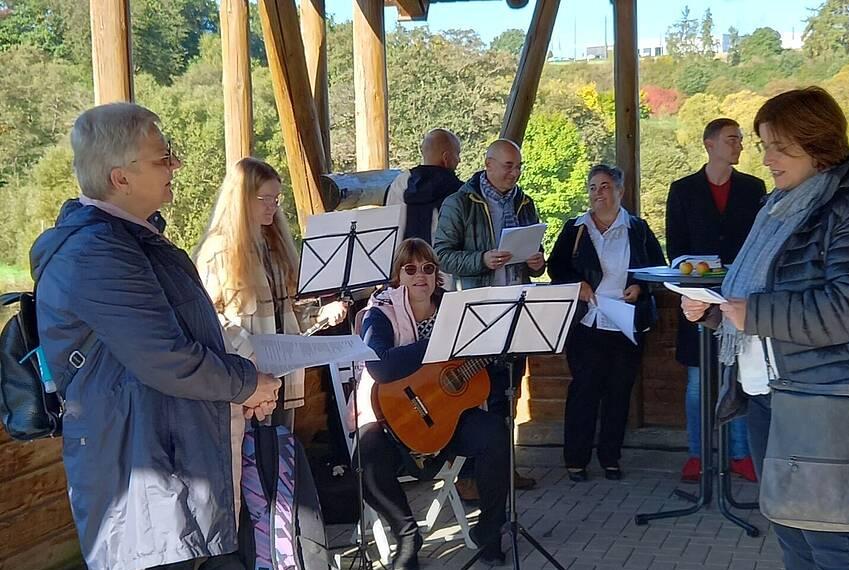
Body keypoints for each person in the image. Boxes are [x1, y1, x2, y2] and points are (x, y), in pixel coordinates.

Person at [30, 103, 281, 570]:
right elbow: (167, 357)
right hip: (143, 492)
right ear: (120, 178)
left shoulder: (134, 239)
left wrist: (240, 386)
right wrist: (248, 383)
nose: (176, 166)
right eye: (163, 158)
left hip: (172, 469)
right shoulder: (96, 253)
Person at [680, 86, 849, 570]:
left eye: (777, 147)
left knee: (835, 544)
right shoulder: (782, 204)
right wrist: (718, 310)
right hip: (773, 393)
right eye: (764, 145)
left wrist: (754, 312)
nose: (765, 158)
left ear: (817, 144)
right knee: (791, 532)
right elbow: (772, 288)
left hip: (830, 400)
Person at [194, 157, 350, 497]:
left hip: (283, 377)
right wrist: (251, 351)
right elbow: (208, 317)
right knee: (251, 474)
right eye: (264, 199)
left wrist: (322, 314)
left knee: (281, 468)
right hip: (246, 379)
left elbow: (289, 313)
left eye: (276, 200)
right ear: (241, 200)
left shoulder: (276, 245)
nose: (272, 207)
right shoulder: (218, 251)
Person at [358, 238, 509, 568]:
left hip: (446, 417)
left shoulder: (454, 310)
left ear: (437, 274)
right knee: (366, 456)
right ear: (398, 276)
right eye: (410, 269)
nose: (420, 276)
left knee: (495, 433)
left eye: (428, 268)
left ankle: (490, 528)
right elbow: (379, 365)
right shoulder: (380, 311)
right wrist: (436, 345)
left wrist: (497, 352)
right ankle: (407, 535)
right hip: (391, 416)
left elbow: (477, 373)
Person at [434, 139, 546, 497]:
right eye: (508, 166)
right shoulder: (460, 202)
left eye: (518, 167)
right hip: (478, 310)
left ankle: (503, 469)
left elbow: (537, 252)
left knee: (510, 389)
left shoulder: (525, 202)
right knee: (476, 394)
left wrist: (538, 263)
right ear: (487, 163)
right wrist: (481, 260)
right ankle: (470, 475)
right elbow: (442, 255)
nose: (514, 173)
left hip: (517, 307)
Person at [547, 165, 666, 482]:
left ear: (619, 191)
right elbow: (556, 267)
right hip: (587, 321)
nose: (597, 193)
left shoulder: (637, 229)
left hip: (626, 323)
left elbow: (657, 269)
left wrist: (640, 286)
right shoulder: (575, 229)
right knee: (584, 391)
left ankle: (610, 458)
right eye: (592, 188)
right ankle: (576, 460)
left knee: (618, 392)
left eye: (604, 187)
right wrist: (577, 284)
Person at [666, 117, 767, 483]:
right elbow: (676, 249)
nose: (739, 144)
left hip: (742, 300)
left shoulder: (755, 188)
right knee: (697, 382)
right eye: (732, 139)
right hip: (696, 300)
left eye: (740, 139)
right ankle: (698, 454)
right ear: (709, 144)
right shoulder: (682, 190)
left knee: (741, 376)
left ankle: (742, 455)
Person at [386, 128, 464, 243]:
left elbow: (389, 224)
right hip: (441, 259)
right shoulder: (458, 190)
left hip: (404, 258)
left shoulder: (400, 184)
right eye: (457, 154)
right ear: (446, 158)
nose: (459, 160)